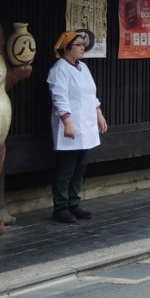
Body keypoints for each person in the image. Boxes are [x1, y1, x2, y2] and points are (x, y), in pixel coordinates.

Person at [48, 30, 108, 224]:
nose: (83, 47)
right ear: (67, 48)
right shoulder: (59, 69)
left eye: (83, 44)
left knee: (80, 167)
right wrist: (67, 122)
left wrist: (99, 114)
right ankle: (60, 207)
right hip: (71, 125)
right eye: (79, 45)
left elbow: (92, 94)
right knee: (65, 169)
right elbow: (59, 97)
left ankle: (74, 202)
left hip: (87, 124)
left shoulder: (83, 67)